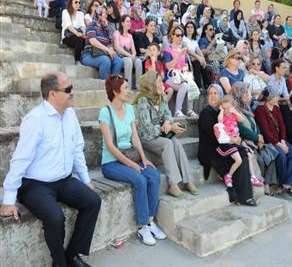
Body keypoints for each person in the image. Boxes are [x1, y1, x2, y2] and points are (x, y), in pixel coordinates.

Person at [0, 72, 101, 267]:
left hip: (63, 180)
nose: (73, 93)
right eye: (68, 89)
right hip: (34, 185)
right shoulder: (35, 119)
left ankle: (72, 255)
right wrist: (9, 200)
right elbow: (20, 159)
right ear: (52, 94)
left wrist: (86, 180)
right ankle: (59, 262)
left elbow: (77, 149)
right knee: (55, 218)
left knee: (92, 201)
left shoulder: (70, 114)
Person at [99, 74, 166, 246]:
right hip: (111, 162)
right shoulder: (105, 112)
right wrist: (132, 165)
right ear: (115, 92)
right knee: (140, 179)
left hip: (131, 156)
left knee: (154, 175)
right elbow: (110, 146)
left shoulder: (129, 109)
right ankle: (142, 227)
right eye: (125, 88)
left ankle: (150, 221)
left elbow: (135, 138)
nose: (129, 92)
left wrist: (144, 160)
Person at [135, 71, 199, 198]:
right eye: (159, 81)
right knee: (168, 143)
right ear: (151, 84)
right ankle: (173, 184)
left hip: (160, 134)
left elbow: (168, 114)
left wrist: (168, 122)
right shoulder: (142, 100)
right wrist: (167, 128)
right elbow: (148, 128)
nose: (161, 84)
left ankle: (188, 180)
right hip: (147, 138)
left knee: (176, 142)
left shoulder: (161, 96)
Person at [198, 84, 257, 206]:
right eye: (210, 93)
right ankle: (243, 196)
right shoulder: (206, 112)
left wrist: (238, 139)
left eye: (216, 93)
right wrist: (235, 140)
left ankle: (245, 194)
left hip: (224, 145)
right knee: (239, 155)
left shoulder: (225, 112)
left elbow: (237, 127)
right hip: (211, 149)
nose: (213, 96)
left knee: (243, 154)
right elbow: (217, 136)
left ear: (221, 97)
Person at [255, 86, 292, 198]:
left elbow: (282, 126)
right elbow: (266, 131)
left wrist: (283, 141)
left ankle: (289, 183)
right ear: (269, 97)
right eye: (275, 96)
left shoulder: (276, 109)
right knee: (282, 156)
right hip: (271, 142)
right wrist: (279, 144)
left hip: (280, 140)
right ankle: (283, 182)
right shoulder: (260, 110)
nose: (278, 98)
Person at [163, 26, 198, 118]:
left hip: (181, 76)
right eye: (178, 35)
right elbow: (168, 66)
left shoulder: (182, 50)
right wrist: (179, 55)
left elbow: (185, 65)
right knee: (184, 85)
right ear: (172, 36)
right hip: (170, 77)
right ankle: (178, 111)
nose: (180, 38)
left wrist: (185, 69)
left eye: (181, 35)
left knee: (191, 83)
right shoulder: (168, 49)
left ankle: (190, 110)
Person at [81, 6, 123, 80]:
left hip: (102, 53)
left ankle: (113, 84)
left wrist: (111, 50)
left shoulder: (105, 29)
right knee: (105, 60)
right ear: (97, 14)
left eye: (106, 13)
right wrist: (108, 50)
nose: (105, 15)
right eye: (103, 13)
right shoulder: (92, 25)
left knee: (118, 60)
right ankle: (104, 85)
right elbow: (93, 41)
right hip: (89, 54)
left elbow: (109, 43)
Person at [217, 95, 249, 187]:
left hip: (236, 142)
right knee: (238, 160)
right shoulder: (223, 116)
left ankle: (253, 176)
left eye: (228, 108)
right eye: (224, 108)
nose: (226, 110)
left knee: (249, 155)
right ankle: (228, 176)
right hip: (228, 143)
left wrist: (234, 111)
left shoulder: (234, 115)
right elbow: (219, 120)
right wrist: (222, 111)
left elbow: (242, 119)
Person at [113, 14, 140, 90]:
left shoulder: (130, 36)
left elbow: (134, 50)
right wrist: (129, 55)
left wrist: (133, 55)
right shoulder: (117, 33)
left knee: (138, 61)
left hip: (129, 55)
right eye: (127, 21)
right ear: (122, 23)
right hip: (120, 56)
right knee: (128, 61)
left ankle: (138, 86)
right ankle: (128, 87)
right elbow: (117, 47)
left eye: (130, 21)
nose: (129, 23)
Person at [183, 21, 209, 89]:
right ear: (185, 29)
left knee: (203, 63)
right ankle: (198, 87)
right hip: (187, 60)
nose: (190, 29)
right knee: (197, 62)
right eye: (188, 27)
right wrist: (199, 58)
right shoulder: (183, 38)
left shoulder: (194, 41)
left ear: (194, 30)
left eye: (192, 27)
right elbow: (188, 50)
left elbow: (199, 51)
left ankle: (207, 86)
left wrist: (203, 60)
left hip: (194, 58)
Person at [61, 0, 85, 65]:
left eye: (79, 2)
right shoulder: (65, 12)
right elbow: (68, 26)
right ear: (71, 3)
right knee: (79, 39)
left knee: (85, 39)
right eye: (76, 2)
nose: (78, 4)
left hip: (77, 36)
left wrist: (84, 33)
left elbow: (83, 26)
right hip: (67, 37)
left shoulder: (81, 14)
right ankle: (77, 60)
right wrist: (77, 33)